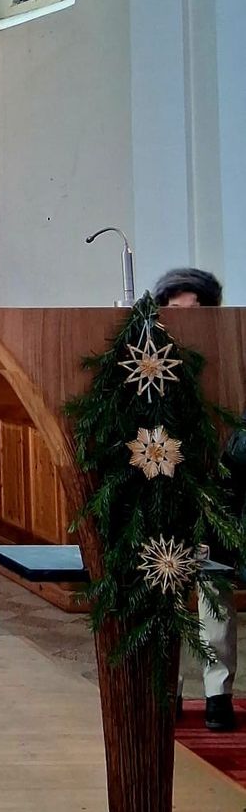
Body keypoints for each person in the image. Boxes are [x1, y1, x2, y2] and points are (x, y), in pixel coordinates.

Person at [154, 266, 240, 731]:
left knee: (214, 595)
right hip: (163, 481)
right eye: (174, 311)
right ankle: (167, 689)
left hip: (217, 486)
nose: (184, 321)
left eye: (194, 312)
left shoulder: (229, 354)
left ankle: (217, 695)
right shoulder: (146, 355)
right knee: (162, 590)